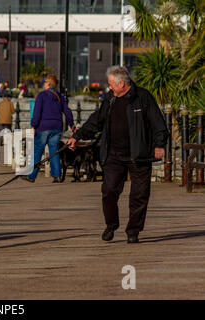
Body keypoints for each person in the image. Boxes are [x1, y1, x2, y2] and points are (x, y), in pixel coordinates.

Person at [66, 66, 169, 244]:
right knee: (109, 191)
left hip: (139, 155)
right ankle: (111, 225)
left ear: (121, 83)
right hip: (113, 155)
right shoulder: (110, 99)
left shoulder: (142, 97)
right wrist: (77, 136)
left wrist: (159, 145)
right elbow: (96, 121)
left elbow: (158, 123)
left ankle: (133, 230)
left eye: (111, 84)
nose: (109, 88)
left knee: (139, 194)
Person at [21, 74, 74, 183]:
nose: (43, 84)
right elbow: (67, 111)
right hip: (57, 128)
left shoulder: (42, 95)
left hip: (43, 127)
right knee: (54, 151)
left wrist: (34, 125)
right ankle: (57, 176)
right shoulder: (59, 96)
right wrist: (72, 124)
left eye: (45, 82)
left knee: (37, 151)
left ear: (49, 83)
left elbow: (37, 112)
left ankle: (31, 175)